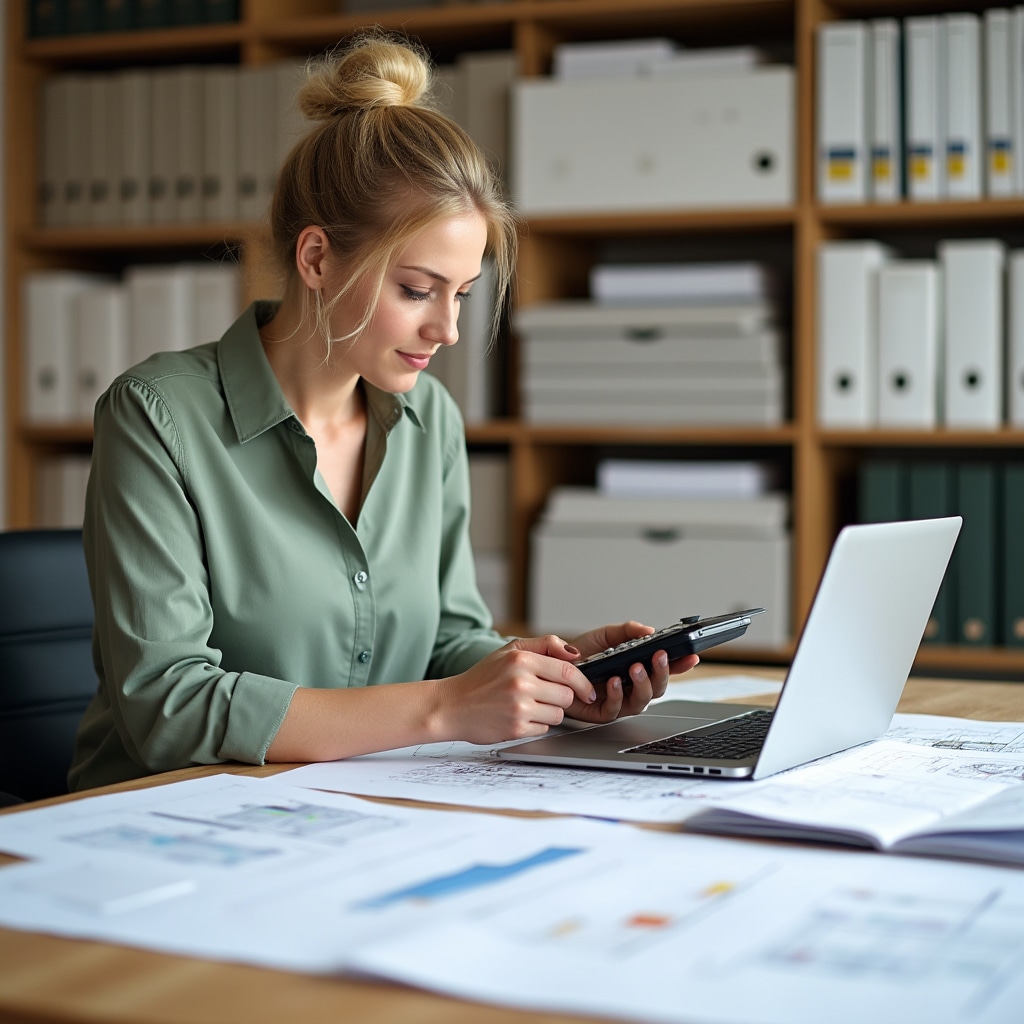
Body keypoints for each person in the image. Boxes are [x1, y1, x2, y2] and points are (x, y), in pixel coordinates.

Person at [68, 33, 699, 792]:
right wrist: (443, 709)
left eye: (461, 294)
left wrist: (551, 675)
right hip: (161, 822)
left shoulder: (428, 419)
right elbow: (167, 707)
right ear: (316, 260)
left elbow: (445, 641)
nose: (449, 330)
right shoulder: (157, 417)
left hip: (361, 807)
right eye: (416, 289)